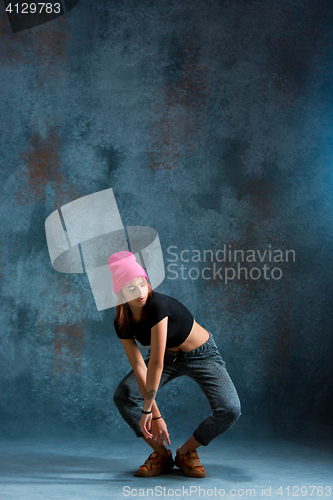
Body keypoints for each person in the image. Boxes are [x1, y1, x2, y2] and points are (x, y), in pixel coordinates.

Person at [110, 251, 241, 478]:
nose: (141, 293)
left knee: (230, 409)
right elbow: (142, 368)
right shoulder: (122, 323)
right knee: (124, 395)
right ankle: (161, 454)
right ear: (120, 294)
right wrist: (154, 416)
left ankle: (186, 451)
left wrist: (150, 411)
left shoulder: (158, 305)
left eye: (143, 284)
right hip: (168, 359)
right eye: (131, 288)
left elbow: (156, 363)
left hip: (202, 355)